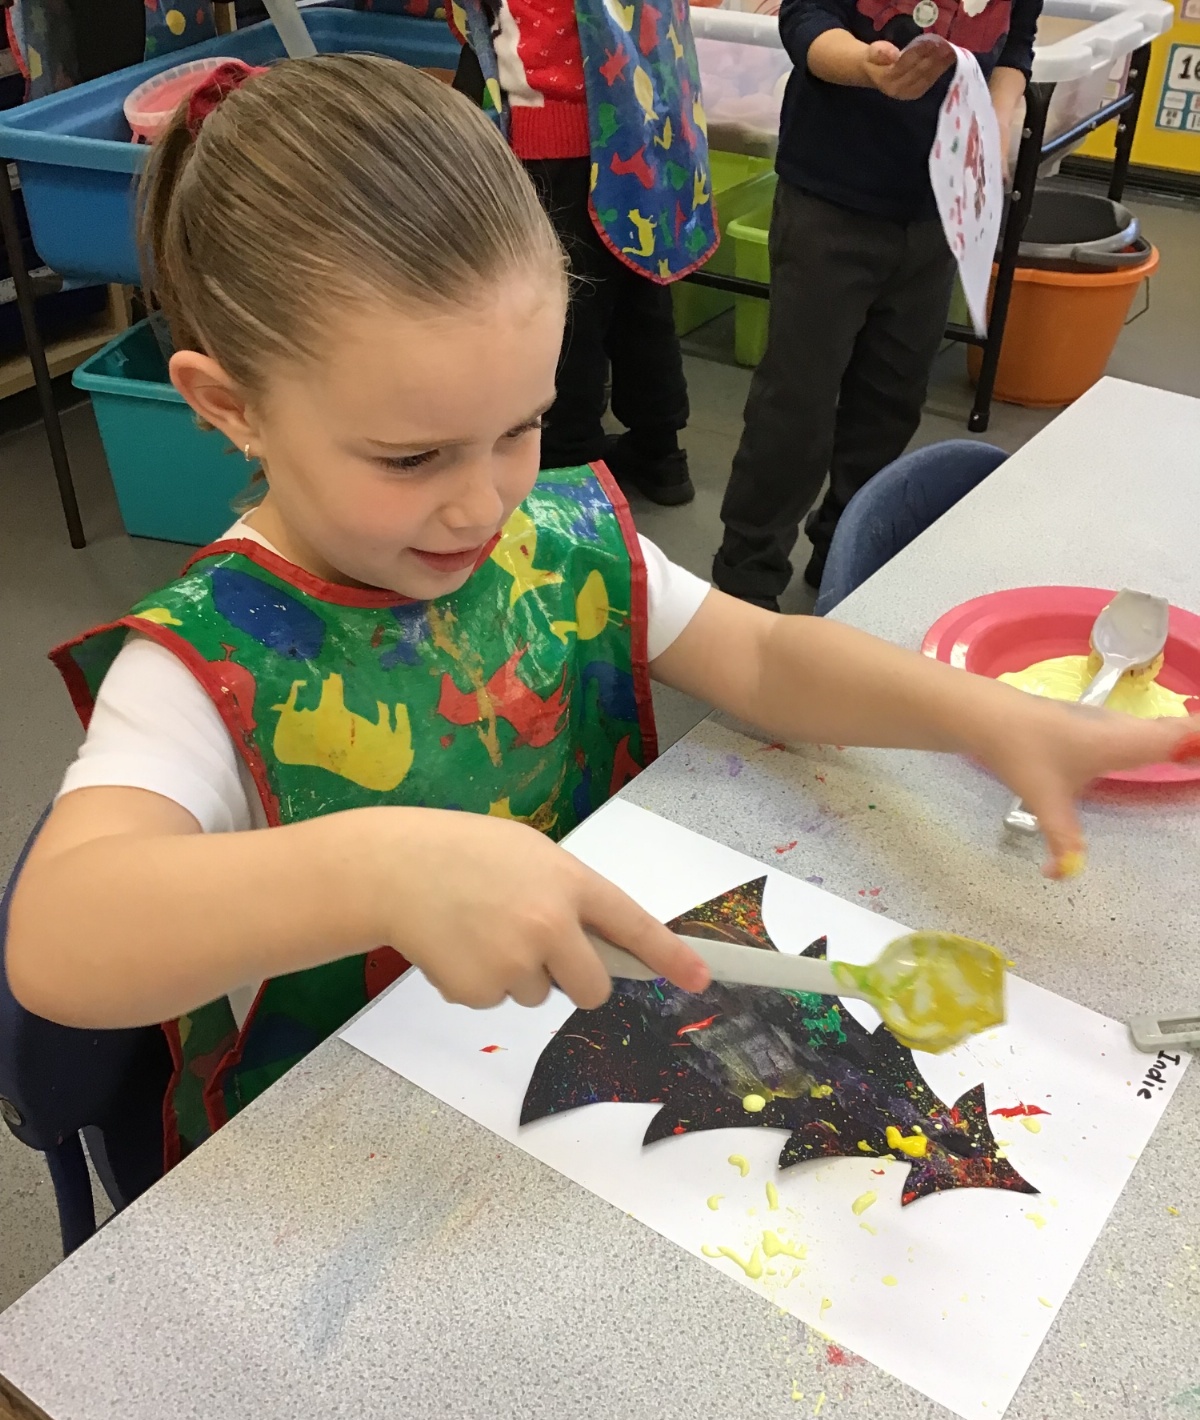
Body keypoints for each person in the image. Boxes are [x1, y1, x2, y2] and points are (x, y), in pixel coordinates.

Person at [7, 56, 1195, 1169]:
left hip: (591, 1077)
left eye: (520, 426)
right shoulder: (202, 663)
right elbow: (61, 942)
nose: (482, 503)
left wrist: (984, 716)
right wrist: (381, 867)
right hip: (369, 1150)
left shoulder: (559, 538)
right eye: (412, 456)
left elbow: (765, 660)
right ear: (231, 407)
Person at [712, 0, 1041, 609]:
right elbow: (805, 20)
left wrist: (995, 122)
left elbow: (1015, 44)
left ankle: (846, 550)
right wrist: (866, 65)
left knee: (893, 397)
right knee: (797, 401)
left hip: (939, 210)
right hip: (831, 200)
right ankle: (746, 574)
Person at [449, 0, 717, 505]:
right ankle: (661, 453)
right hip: (642, 132)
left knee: (566, 311)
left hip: (552, 137)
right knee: (641, 289)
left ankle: (572, 465)